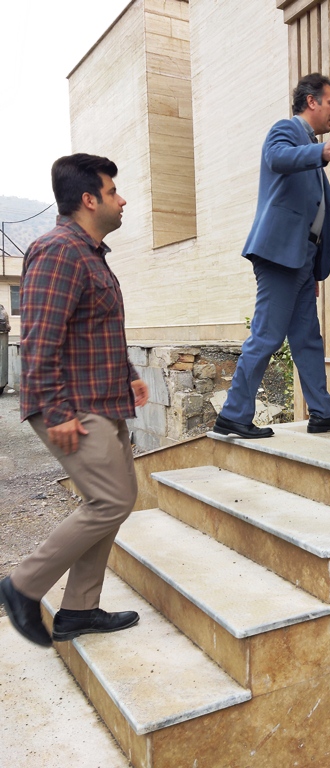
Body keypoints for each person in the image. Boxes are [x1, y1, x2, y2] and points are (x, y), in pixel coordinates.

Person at [0, 154, 148, 647]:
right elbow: (40, 339)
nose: (122, 200)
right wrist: (57, 411)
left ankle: (79, 610)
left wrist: (129, 376)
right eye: (113, 191)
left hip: (102, 399)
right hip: (73, 405)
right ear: (88, 199)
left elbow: (94, 328)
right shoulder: (58, 250)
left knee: (113, 501)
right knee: (111, 500)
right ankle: (22, 585)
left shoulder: (90, 254)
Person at [214, 73, 330, 439]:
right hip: (279, 256)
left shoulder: (309, 147)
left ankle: (323, 413)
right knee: (266, 335)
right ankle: (233, 415)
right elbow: (277, 158)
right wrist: (322, 152)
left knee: (308, 338)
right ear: (311, 101)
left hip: (300, 261)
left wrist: (312, 269)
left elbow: (314, 213)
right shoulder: (286, 130)